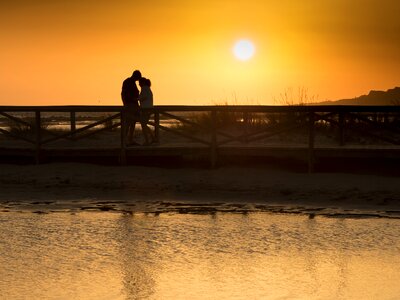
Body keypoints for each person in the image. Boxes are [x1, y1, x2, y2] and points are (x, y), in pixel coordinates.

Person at [121, 70, 142, 145]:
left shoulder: (132, 83)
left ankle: (130, 140)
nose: (138, 80)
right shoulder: (127, 81)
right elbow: (123, 93)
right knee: (128, 123)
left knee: (133, 122)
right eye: (138, 78)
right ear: (135, 76)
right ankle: (125, 140)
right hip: (130, 105)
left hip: (134, 105)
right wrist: (125, 104)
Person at [138, 77, 155, 145]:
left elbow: (142, 98)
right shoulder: (148, 88)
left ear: (143, 83)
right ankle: (152, 138)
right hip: (148, 108)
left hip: (145, 109)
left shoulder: (144, 88)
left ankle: (148, 140)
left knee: (143, 124)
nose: (139, 84)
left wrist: (136, 98)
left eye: (140, 83)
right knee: (144, 124)